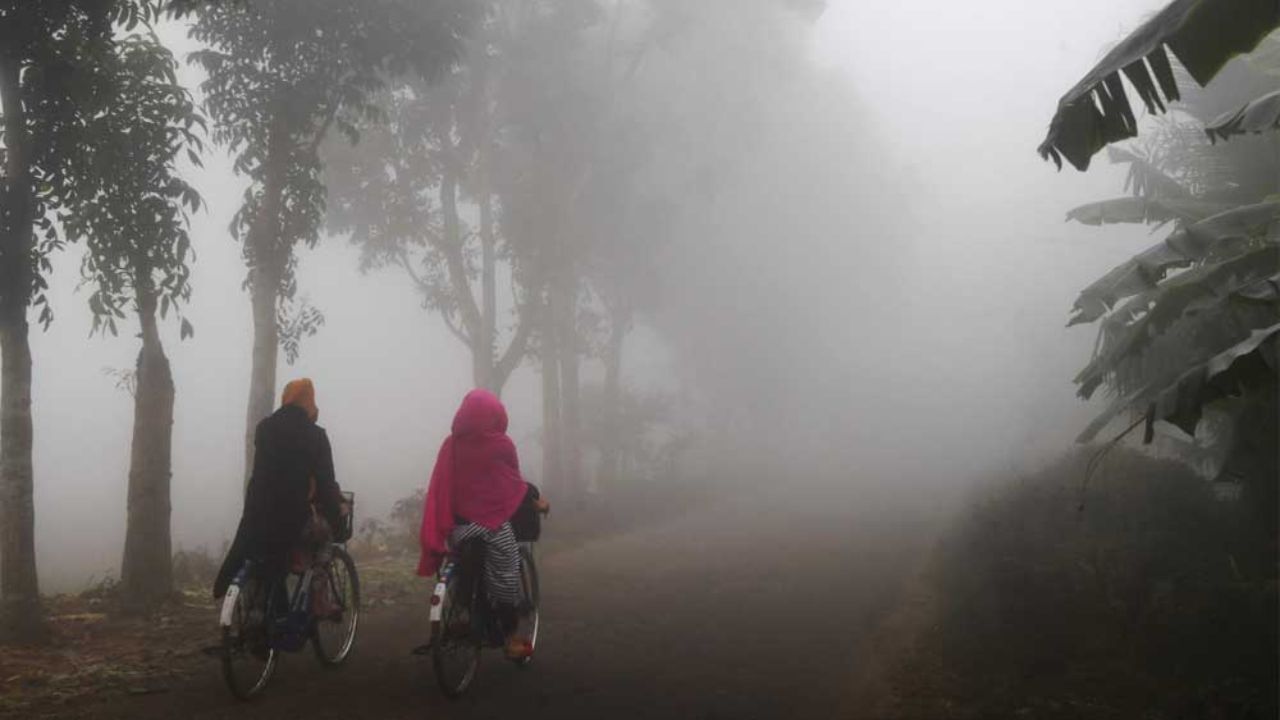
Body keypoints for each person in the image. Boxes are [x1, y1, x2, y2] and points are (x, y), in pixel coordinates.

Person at [418, 388, 549, 659]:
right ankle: (511, 635)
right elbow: (512, 484)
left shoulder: (450, 445)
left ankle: (462, 608)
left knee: (463, 562)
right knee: (507, 569)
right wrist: (536, 501)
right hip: (492, 526)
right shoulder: (502, 445)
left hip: (457, 528)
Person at [214, 378, 348, 602]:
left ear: (286, 399)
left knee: (270, 559)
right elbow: (326, 484)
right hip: (294, 519)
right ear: (309, 401)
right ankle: (319, 601)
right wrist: (337, 519)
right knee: (325, 540)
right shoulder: (316, 435)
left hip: (257, 517)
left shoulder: (264, 428)